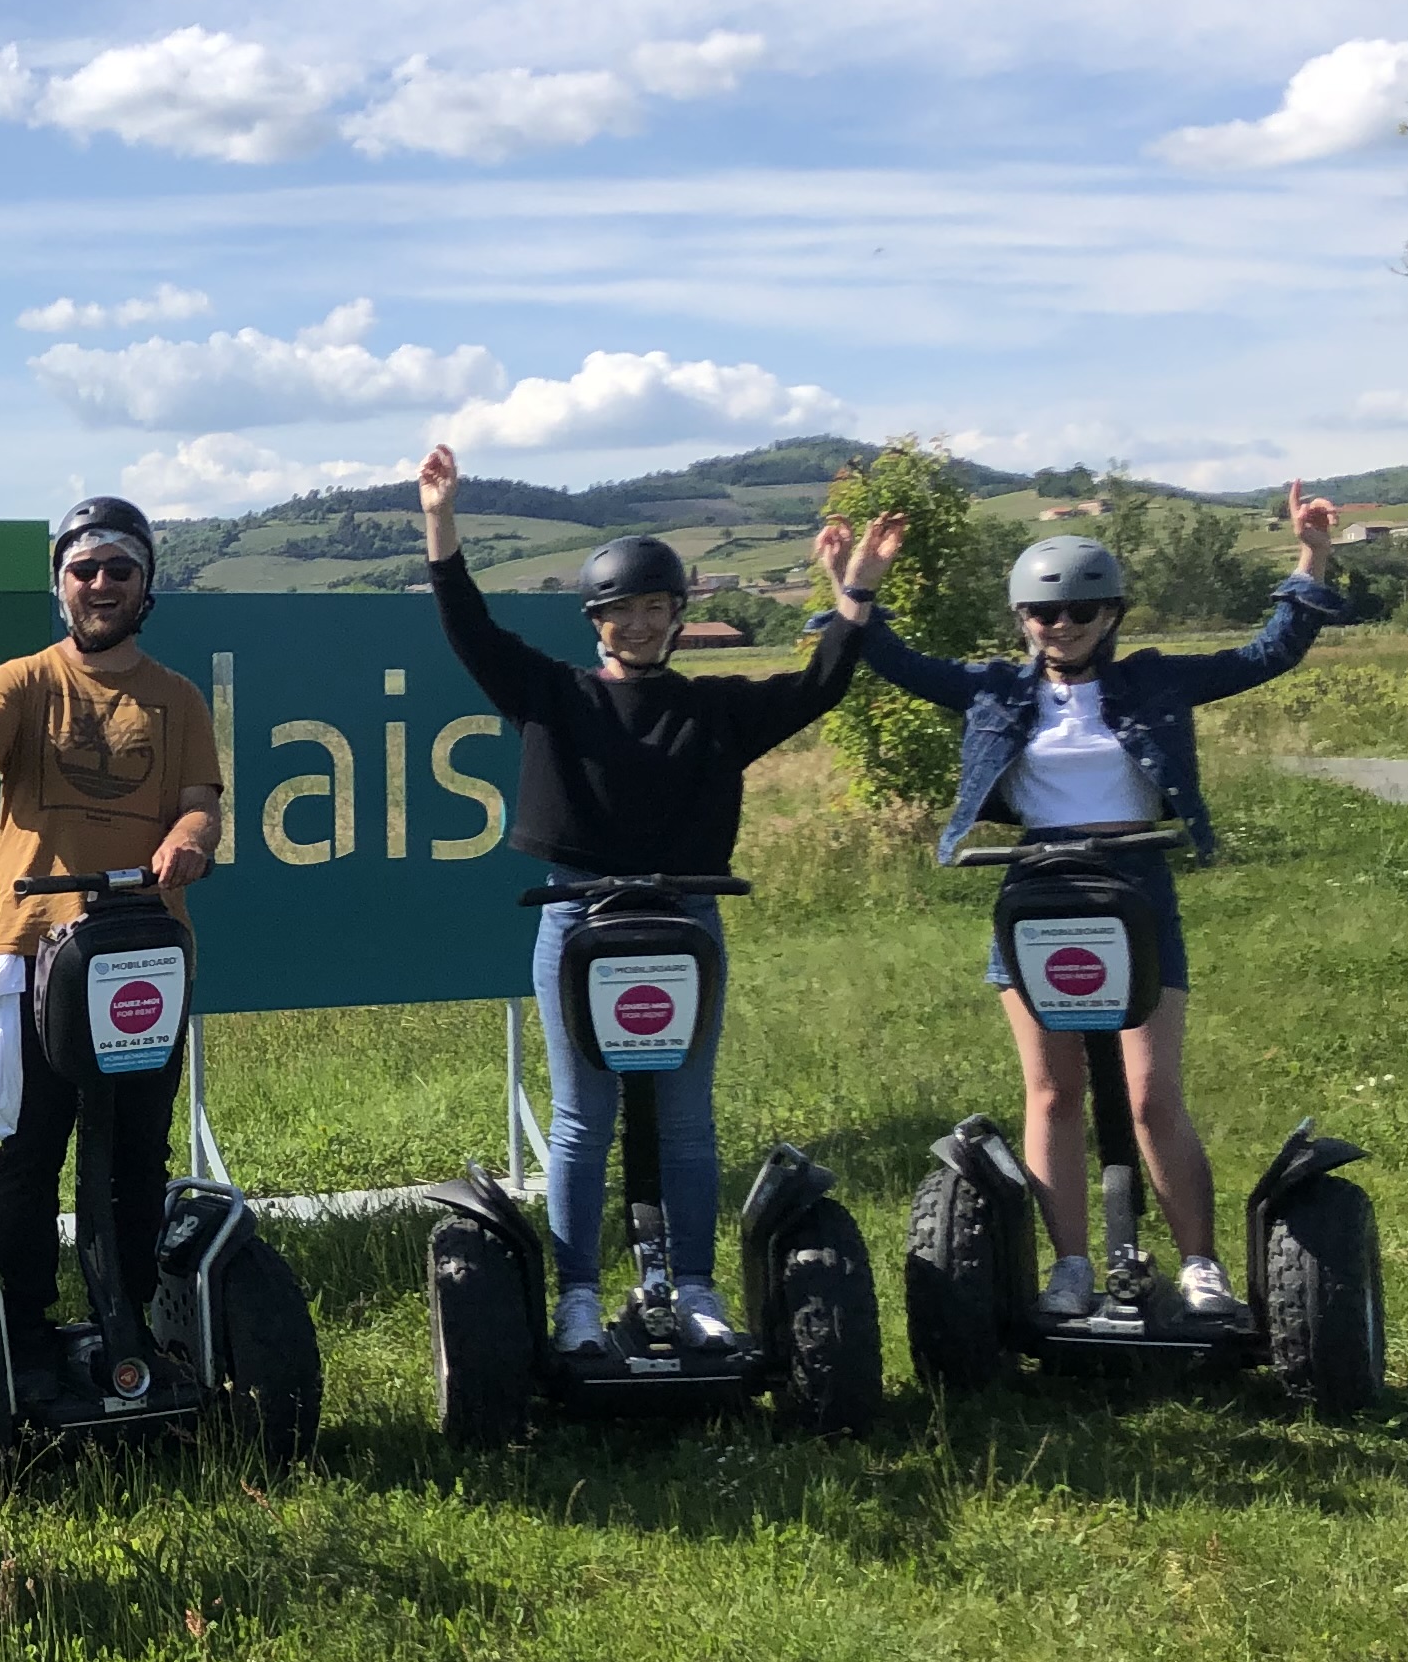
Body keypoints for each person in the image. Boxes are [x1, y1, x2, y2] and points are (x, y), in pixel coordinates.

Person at [419, 448, 882, 1353]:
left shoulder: (714, 713)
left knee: (685, 1117)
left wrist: (851, 597)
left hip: (683, 924)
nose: (639, 623)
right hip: (577, 919)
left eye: (655, 607)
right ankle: (580, 1299)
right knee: (585, 1116)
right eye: (622, 609)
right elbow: (469, 628)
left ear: (678, 616)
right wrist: (441, 523)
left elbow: (821, 684)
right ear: (596, 620)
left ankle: (696, 1291)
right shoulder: (554, 697)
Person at [851, 485, 1347, 1317]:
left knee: (1152, 1094)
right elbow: (892, 663)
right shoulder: (994, 692)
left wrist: (1312, 558)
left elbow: (1266, 654)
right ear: (1021, 618)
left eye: (1082, 608)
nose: (1062, 623)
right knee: (1053, 1092)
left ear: (1112, 613)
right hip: (1037, 889)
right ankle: (1072, 1266)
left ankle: (1199, 1266)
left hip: (1136, 881)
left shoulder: (1155, 682)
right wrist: (858, 590)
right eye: (1044, 611)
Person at [0, 495, 225, 1379]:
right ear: (60, 586)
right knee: (34, 1149)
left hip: (140, 954)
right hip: (35, 952)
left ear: (145, 587)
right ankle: (25, 1330)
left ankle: (129, 1319)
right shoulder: (22, 680)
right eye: (83, 571)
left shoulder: (174, 697)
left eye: (118, 571)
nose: (100, 585)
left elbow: (201, 808)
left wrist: (187, 845)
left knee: (137, 1152)